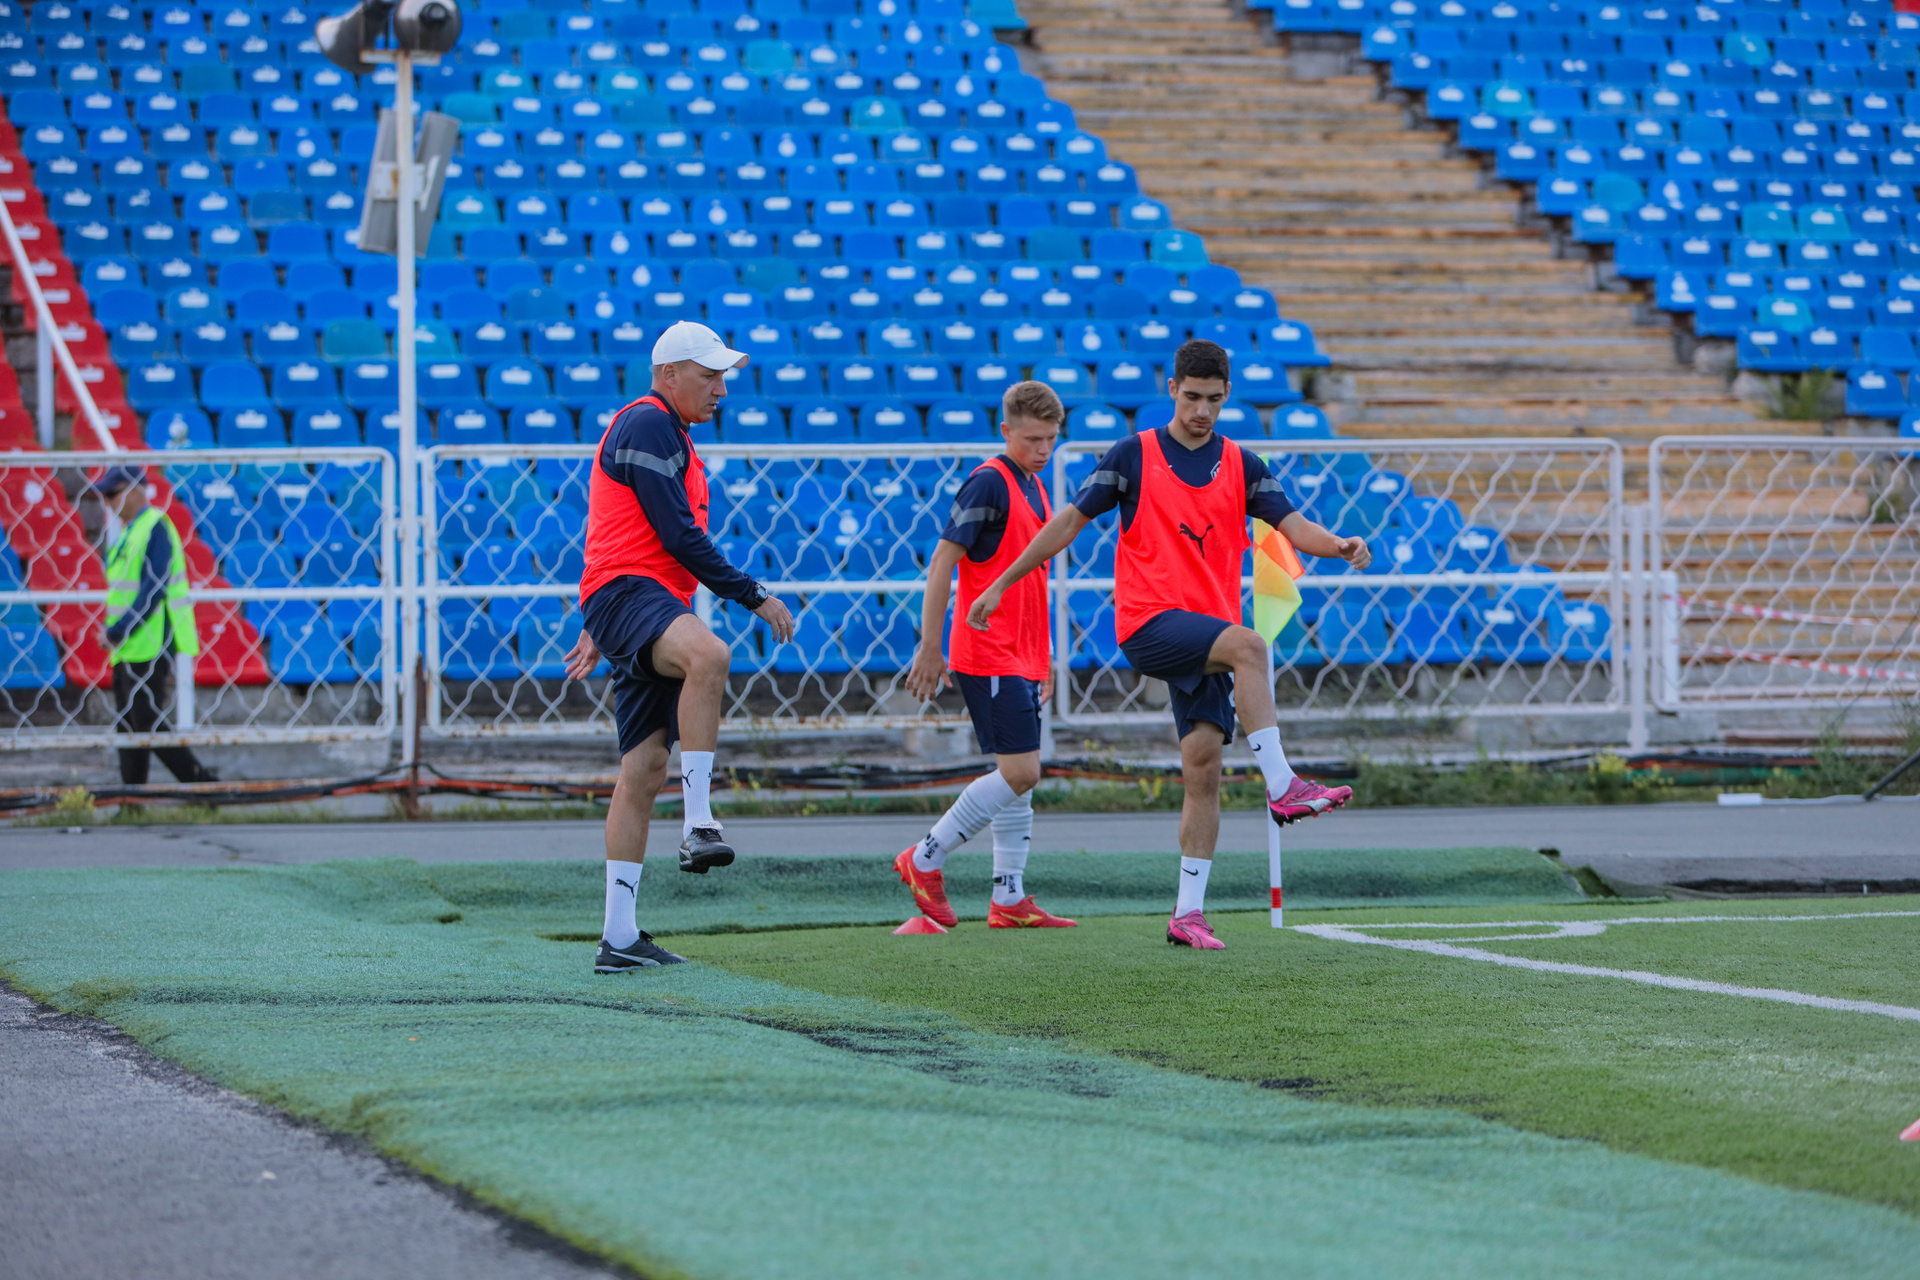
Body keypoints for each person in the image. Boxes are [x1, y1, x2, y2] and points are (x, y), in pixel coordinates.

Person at [968, 340, 1369, 952]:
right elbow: (1067, 522)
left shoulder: (1242, 464)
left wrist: (1338, 544)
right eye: (1192, 397)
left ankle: (1187, 914)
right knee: (1251, 648)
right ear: (1172, 388)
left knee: (1203, 768)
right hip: (1148, 623)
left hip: (1207, 636)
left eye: (1214, 400)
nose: (1202, 410)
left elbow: (1294, 526)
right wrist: (1001, 582)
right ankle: (1284, 784)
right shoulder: (1133, 454)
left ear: (1226, 396)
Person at [563, 320, 796, 974]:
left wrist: (599, 618)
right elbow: (676, 537)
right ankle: (699, 824)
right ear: (668, 375)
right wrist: (752, 594)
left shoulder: (670, 433)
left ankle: (619, 938)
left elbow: (625, 530)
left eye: (723, 376)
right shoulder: (649, 422)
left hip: (636, 600)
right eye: (709, 375)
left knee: (641, 772)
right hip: (633, 596)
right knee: (710, 655)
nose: (721, 388)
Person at [897, 381, 1077, 930]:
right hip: (989, 651)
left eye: (1050, 439)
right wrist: (931, 645)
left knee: (1017, 776)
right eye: (1031, 440)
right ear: (1005, 432)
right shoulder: (988, 482)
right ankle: (924, 856)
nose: (1042, 450)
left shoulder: (1034, 485)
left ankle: (1009, 898)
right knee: (1022, 771)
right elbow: (941, 563)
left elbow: (1033, 580)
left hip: (1023, 654)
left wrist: (1044, 655)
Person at [95, 464, 216, 787]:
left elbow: (154, 587)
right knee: (129, 724)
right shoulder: (127, 533)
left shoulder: (154, 527)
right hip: (127, 644)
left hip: (150, 638)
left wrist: (119, 629)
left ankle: (201, 784)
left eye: (112, 494)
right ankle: (134, 798)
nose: (107, 502)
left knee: (145, 721)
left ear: (136, 490)